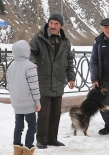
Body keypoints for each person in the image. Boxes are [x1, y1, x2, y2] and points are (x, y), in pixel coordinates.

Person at [29, 12, 76, 149]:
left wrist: (71, 77)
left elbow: (69, 60)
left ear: (61, 26)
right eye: (51, 23)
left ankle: (52, 138)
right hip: (43, 80)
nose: (53, 26)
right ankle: (41, 139)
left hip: (58, 81)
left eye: (56, 24)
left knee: (56, 112)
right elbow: (31, 53)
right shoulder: (39, 38)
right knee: (44, 112)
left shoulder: (65, 41)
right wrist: (33, 63)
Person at [7, 40, 41, 155]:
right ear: (26, 51)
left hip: (16, 103)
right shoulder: (30, 66)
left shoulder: (11, 66)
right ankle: (28, 149)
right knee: (32, 126)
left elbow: (9, 86)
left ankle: (17, 151)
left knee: (19, 126)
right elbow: (34, 87)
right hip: (28, 103)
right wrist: (37, 102)